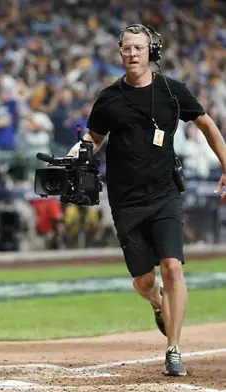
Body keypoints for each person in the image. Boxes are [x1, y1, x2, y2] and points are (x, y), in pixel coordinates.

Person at [66, 24, 226, 377]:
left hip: (165, 194)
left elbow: (207, 125)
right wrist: (75, 156)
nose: (133, 54)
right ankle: (155, 302)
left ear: (151, 52)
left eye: (139, 48)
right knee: (143, 280)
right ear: (120, 53)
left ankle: (174, 348)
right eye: (127, 48)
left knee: (172, 267)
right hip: (125, 200)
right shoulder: (109, 97)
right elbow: (93, 136)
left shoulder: (172, 91)